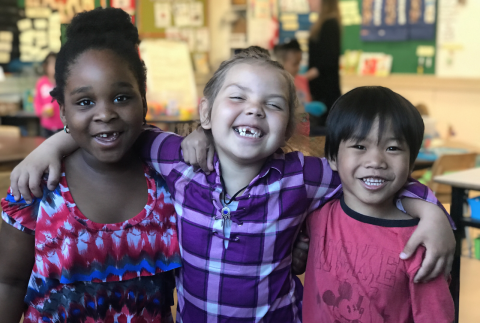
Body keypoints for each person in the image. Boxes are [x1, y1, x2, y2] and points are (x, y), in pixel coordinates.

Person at [10, 47, 455, 323]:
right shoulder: (177, 159)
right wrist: (56, 143)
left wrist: (428, 207)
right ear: (206, 113)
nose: (254, 110)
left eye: (272, 104)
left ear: (288, 128)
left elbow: (367, 174)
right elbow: (114, 127)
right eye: (237, 97)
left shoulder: (304, 175)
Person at [0, 8, 182, 322]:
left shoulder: (170, 181)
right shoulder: (38, 187)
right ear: (63, 112)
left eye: (122, 97)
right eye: (85, 102)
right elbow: (8, 281)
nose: (105, 113)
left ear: (144, 100)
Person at [303, 86, 455, 322]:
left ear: (411, 163)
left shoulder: (421, 241)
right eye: (359, 146)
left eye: (392, 148)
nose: (375, 161)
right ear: (332, 157)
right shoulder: (315, 217)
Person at [306, 0, 342, 127]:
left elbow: (328, 59)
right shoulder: (323, 23)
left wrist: (303, 77)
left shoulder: (329, 24)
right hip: (320, 89)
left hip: (326, 91)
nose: (308, 1)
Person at [34, 52, 64, 138]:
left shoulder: (63, 83)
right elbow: (37, 102)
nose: (54, 66)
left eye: (56, 63)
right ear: (45, 66)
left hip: (62, 125)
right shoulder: (41, 83)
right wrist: (41, 111)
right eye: (51, 63)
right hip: (46, 126)